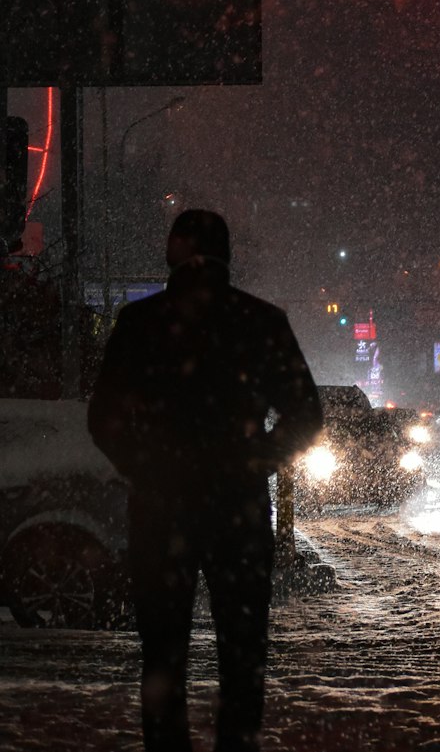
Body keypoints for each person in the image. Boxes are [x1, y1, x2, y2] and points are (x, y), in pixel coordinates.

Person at [88, 209, 322, 752]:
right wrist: (256, 459)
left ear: (173, 251)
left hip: (160, 506)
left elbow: (105, 418)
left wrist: (146, 466)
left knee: (162, 649)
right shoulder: (261, 322)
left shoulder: (141, 322)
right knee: (242, 650)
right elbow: (305, 413)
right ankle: (235, 744)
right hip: (236, 508)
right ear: (227, 255)